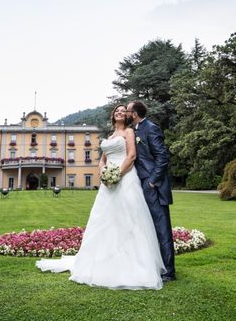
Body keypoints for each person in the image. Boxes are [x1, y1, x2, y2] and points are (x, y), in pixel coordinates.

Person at [36, 104, 165, 290]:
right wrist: (103, 172)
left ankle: (134, 265)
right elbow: (102, 160)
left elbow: (131, 156)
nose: (120, 112)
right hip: (108, 184)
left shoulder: (129, 132)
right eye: (117, 111)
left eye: (123, 111)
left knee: (130, 219)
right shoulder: (110, 137)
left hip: (126, 178)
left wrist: (117, 175)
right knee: (104, 220)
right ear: (113, 116)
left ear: (127, 116)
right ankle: (103, 261)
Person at [127, 100, 176, 282]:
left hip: (153, 186)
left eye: (128, 110)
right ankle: (154, 265)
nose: (126, 114)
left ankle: (169, 272)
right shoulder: (135, 130)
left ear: (134, 114)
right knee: (146, 228)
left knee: (161, 228)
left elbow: (162, 156)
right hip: (139, 184)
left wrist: (152, 182)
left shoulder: (150, 128)